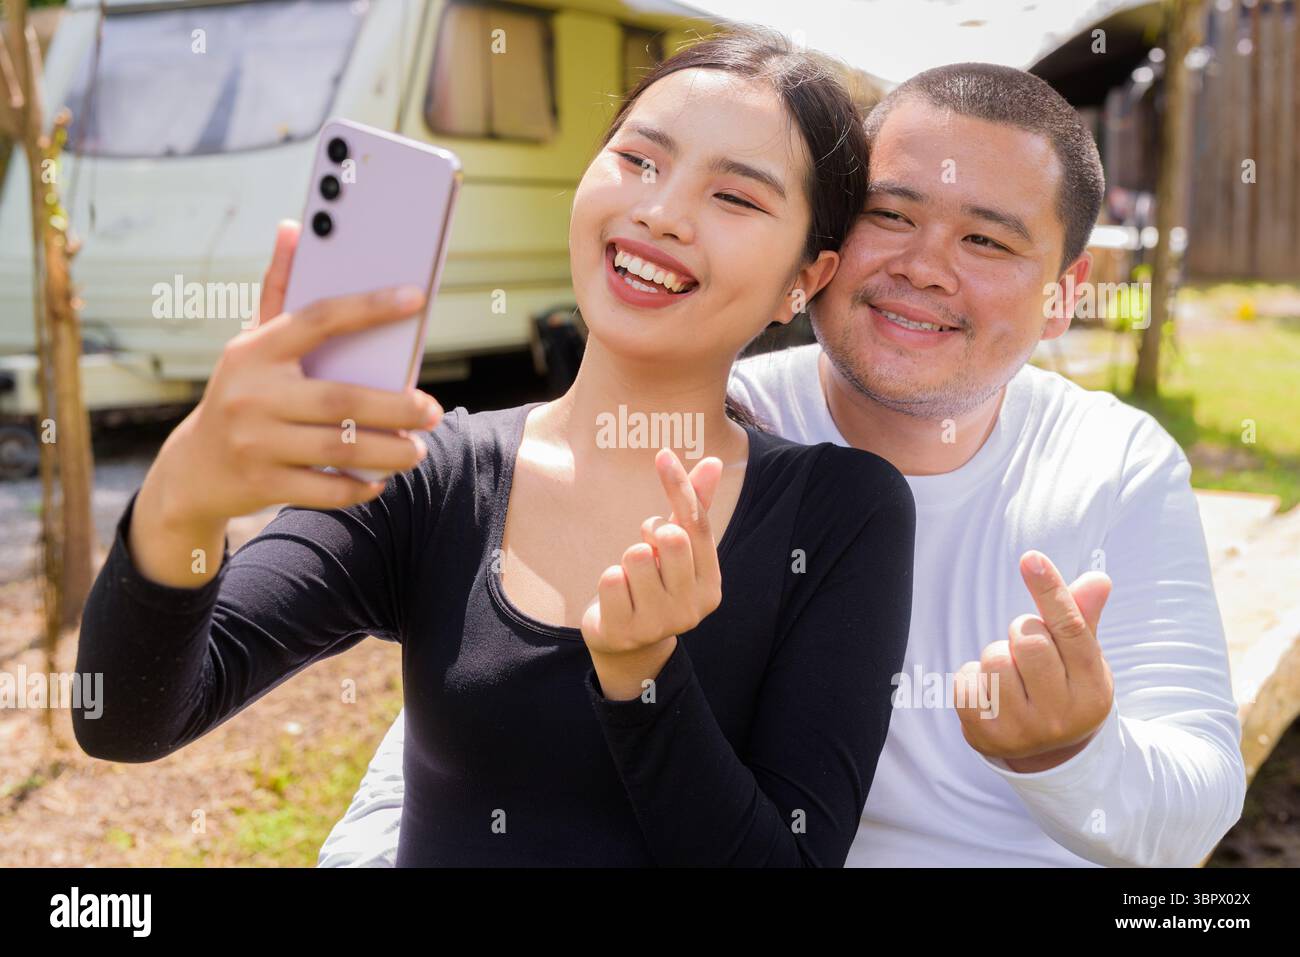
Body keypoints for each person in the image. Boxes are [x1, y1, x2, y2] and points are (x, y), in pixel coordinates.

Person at [319, 62, 1246, 869]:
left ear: (1064, 295)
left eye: (987, 240)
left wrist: (1071, 752)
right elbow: (495, 690)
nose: (924, 267)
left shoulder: (1111, 465)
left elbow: (1196, 804)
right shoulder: (722, 417)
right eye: (892, 215)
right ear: (821, 253)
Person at [73, 29, 917, 867]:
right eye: (638, 160)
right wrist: (185, 497)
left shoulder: (842, 511)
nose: (660, 213)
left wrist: (643, 675)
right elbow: (128, 719)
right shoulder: (430, 474)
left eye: (736, 198)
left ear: (804, 280)